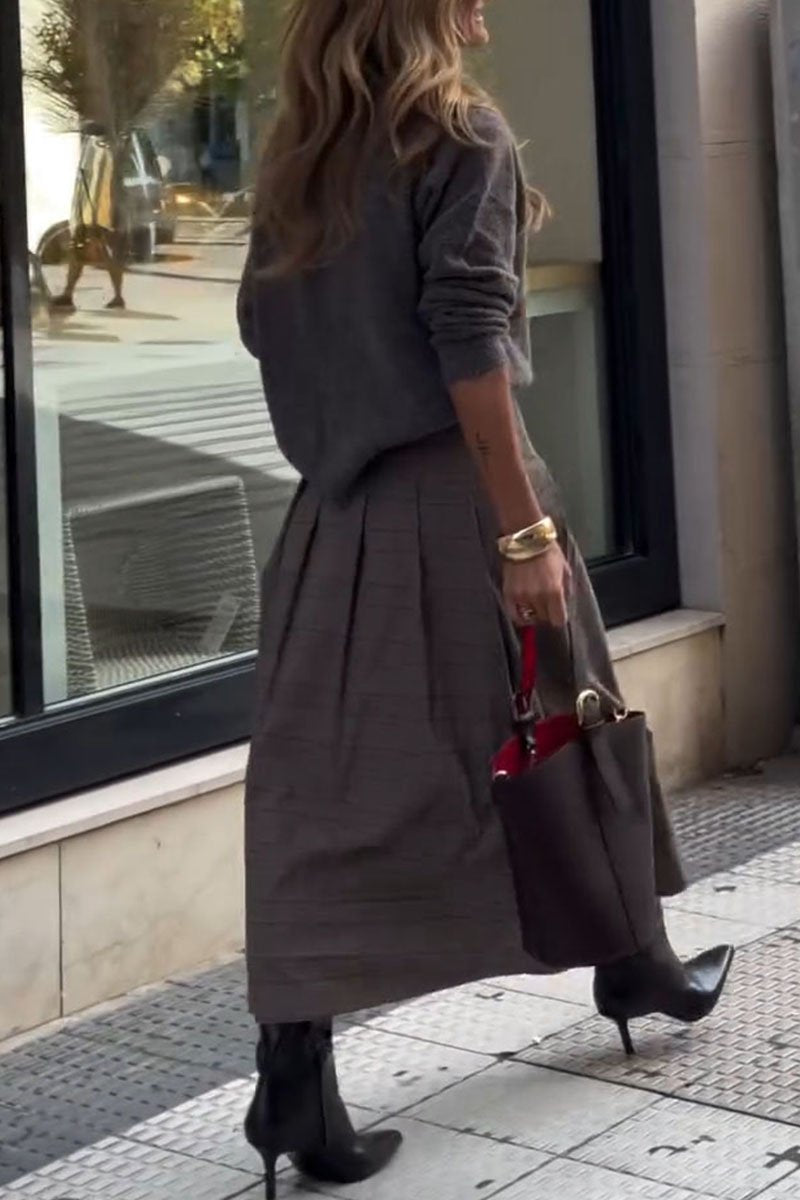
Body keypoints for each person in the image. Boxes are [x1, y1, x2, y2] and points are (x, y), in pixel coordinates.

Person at [237, 2, 734, 1196]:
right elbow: (468, 343)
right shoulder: (458, 133)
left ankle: (297, 1067)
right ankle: (634, 961)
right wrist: (521, 530)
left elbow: (266, 333)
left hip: (333, 513)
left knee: (326, 787)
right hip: (461, 498)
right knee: (571, 716)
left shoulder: (303, 152)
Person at [51, 125, 126, 313]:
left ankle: (115, 296)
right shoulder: (96, 149)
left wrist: (92, 221)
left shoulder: (99, 150)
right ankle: (69, 294)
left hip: (95, 216)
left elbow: (97, 187)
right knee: (83, 254)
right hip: (92, 215)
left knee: (97, 253)